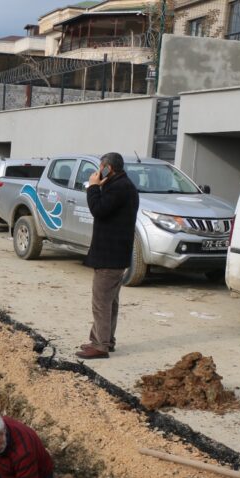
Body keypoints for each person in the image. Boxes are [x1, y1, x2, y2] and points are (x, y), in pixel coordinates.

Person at [76, 152, 140, 360]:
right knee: (110, 301)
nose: (97, 171)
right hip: (115, 252)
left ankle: (100, 345)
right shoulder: (121, 185)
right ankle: (105, 340)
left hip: (110, 254)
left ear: (108, 168)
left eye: (100, 167)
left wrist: (93, 186)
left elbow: (99, 209)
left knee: (101, 301)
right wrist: (100, 186)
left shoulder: (120, 187)